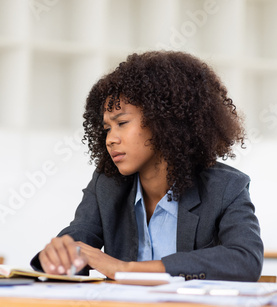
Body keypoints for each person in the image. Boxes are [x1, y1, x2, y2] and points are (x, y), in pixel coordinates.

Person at [30, 51, 263, 281]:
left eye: (121, 123)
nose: (110, 139)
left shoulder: (226, 187)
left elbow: (245, 260)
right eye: (107, 129)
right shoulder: (107, 184)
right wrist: (61, 255)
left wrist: (127, 269)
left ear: (164, 121)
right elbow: (79, 238)